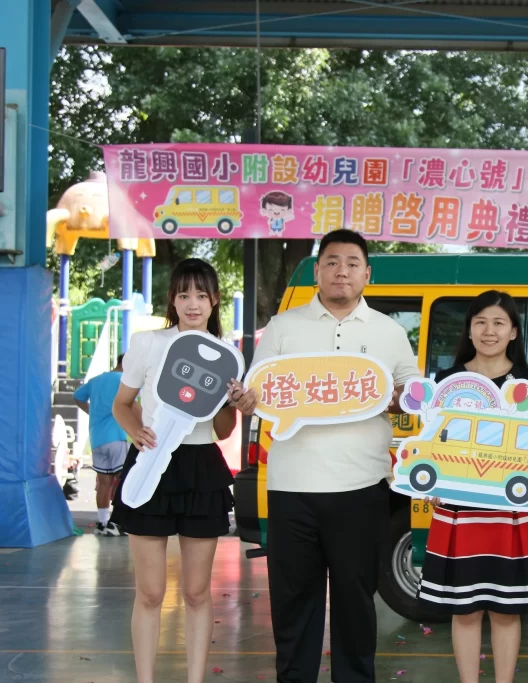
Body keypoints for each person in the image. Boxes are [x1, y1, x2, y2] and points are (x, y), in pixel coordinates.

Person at [241, 229, 420, 683]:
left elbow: (414, 395)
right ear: (318, 270)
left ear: (367, 274)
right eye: (333, 262)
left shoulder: (389, 332)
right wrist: (245, 400)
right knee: (293, 602)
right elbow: (257, 390)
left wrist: (399, 399)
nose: (343, 271)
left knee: (355, 603)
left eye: (353, 263)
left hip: (361, 488)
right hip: (291, 488)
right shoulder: (283, 327)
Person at [110, 258, 257, 683]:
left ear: (214, 301)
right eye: (184, 294)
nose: (193, 303)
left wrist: (234, 403)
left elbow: (223, 429)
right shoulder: (147, 343)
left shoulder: (228, 357)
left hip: (201, 469)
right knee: (150, 592)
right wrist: (136, 431)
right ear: (172, 300)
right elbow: (121, 404)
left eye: (201, 295)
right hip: (151, 465)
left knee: (196, 591)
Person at [417, 290, 528, 683]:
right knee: (464, 609)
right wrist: (432, 476)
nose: (489, 331)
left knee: (505, 608)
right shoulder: (448, 380)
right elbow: (434, 441)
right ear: (470, 329)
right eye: (480, 322)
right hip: (458, 508)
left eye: (499, 323)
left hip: (510, 510)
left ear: (513, 331)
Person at [74, 353, 129, 536]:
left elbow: (78, 396)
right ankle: (118, 522)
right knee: (123, 479)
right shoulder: (124, 380)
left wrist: (91, 412)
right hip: (116, 436)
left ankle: (103, 523)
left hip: (97, 438)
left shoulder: (96, 380)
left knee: (104, 482)